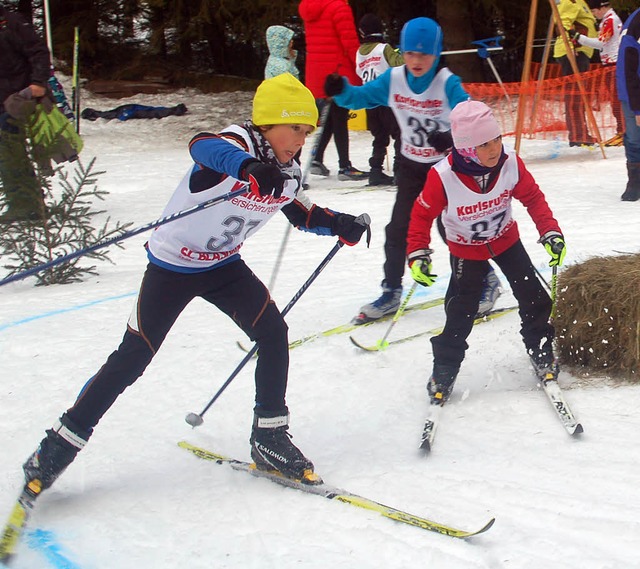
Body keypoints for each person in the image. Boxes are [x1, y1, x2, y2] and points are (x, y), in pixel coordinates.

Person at [20, 73, 370, 495]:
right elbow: (202, 146)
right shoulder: (238, 144)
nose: (301, 139)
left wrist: (340, 224)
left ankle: (270, 437)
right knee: (132, 358)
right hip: (171, 268)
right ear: (268, 123)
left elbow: (300, 212)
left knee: (273, 333)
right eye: (294, 128)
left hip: (223, 267)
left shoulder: (286, 172)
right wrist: (248, 167)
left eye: (307, 131)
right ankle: (56, 446)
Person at [326, 17, 502, 322]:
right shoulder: (393, 79)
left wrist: (451, 136)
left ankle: (487, 280)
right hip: (409, 167)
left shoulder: (446, 82)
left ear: (436, 54)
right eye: (410, 53)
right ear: (401, 52)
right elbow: (360, 97)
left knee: (453, 231)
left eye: (424, 55)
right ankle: (391, 291)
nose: (416, 61)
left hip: (447, 170)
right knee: (399, 230)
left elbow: (472, 115)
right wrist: (339, 89)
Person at [406, 100, 566, 404]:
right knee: (460, 312)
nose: (493, 149)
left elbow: (533, 198)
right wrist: (417, 254)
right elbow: (421, 216)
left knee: (534, 296)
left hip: (506, 239)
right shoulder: (443, 176)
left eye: (496, 139)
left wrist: (550, 231)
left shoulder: (509, 163)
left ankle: (540, 348)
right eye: (483, 144)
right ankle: (445, 368)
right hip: (466, 249)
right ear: (466, 149)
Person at [298, 0, 368, 181]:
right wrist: (359, 67)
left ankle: (317, 158)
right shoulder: (338, 7)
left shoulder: (309, 6)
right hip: (337, 69)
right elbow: (349, 41)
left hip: (317, 71)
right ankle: (345, 166)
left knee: (329, 118)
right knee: (340, 118)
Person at [0, 4, 51, 222]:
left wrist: (38, 82)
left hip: (16, 99)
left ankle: (27, 204)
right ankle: (25, 201)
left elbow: (38, 51)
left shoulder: (11, 22)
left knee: (10, 150)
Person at [355, 13, 402, 186]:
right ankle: (399, 171)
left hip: (369, 100)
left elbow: (360, 73)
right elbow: (400, 63)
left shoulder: (359, 52)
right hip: (386, 99)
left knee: (380, 137)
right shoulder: (384, 48)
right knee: (400, 134)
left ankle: (375, 170)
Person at [569, 0, 624, 146]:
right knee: (615, 100)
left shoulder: (610, 20)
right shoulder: (608, 19)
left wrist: (578, 37)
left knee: (617, 100)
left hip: (614, 64)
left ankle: (624, 132)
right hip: (611, 63)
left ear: (602, 7)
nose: (593, 14)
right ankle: (623, 131)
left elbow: (601, 42)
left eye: (594, 11)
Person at [554, 0, 598, 147]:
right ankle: (578, 135)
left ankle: (580, 133)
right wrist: (569, 46)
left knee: (579, 95)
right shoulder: (570, 1)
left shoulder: (580, 2)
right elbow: (562, 24)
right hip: (575, 51)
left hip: (581, 51)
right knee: (575, 95)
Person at [616, 7, 640, 202]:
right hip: (633, 91)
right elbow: (629, 70)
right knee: (634, 138)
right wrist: (637, 108)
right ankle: (634, 182)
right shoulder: (636, 24)